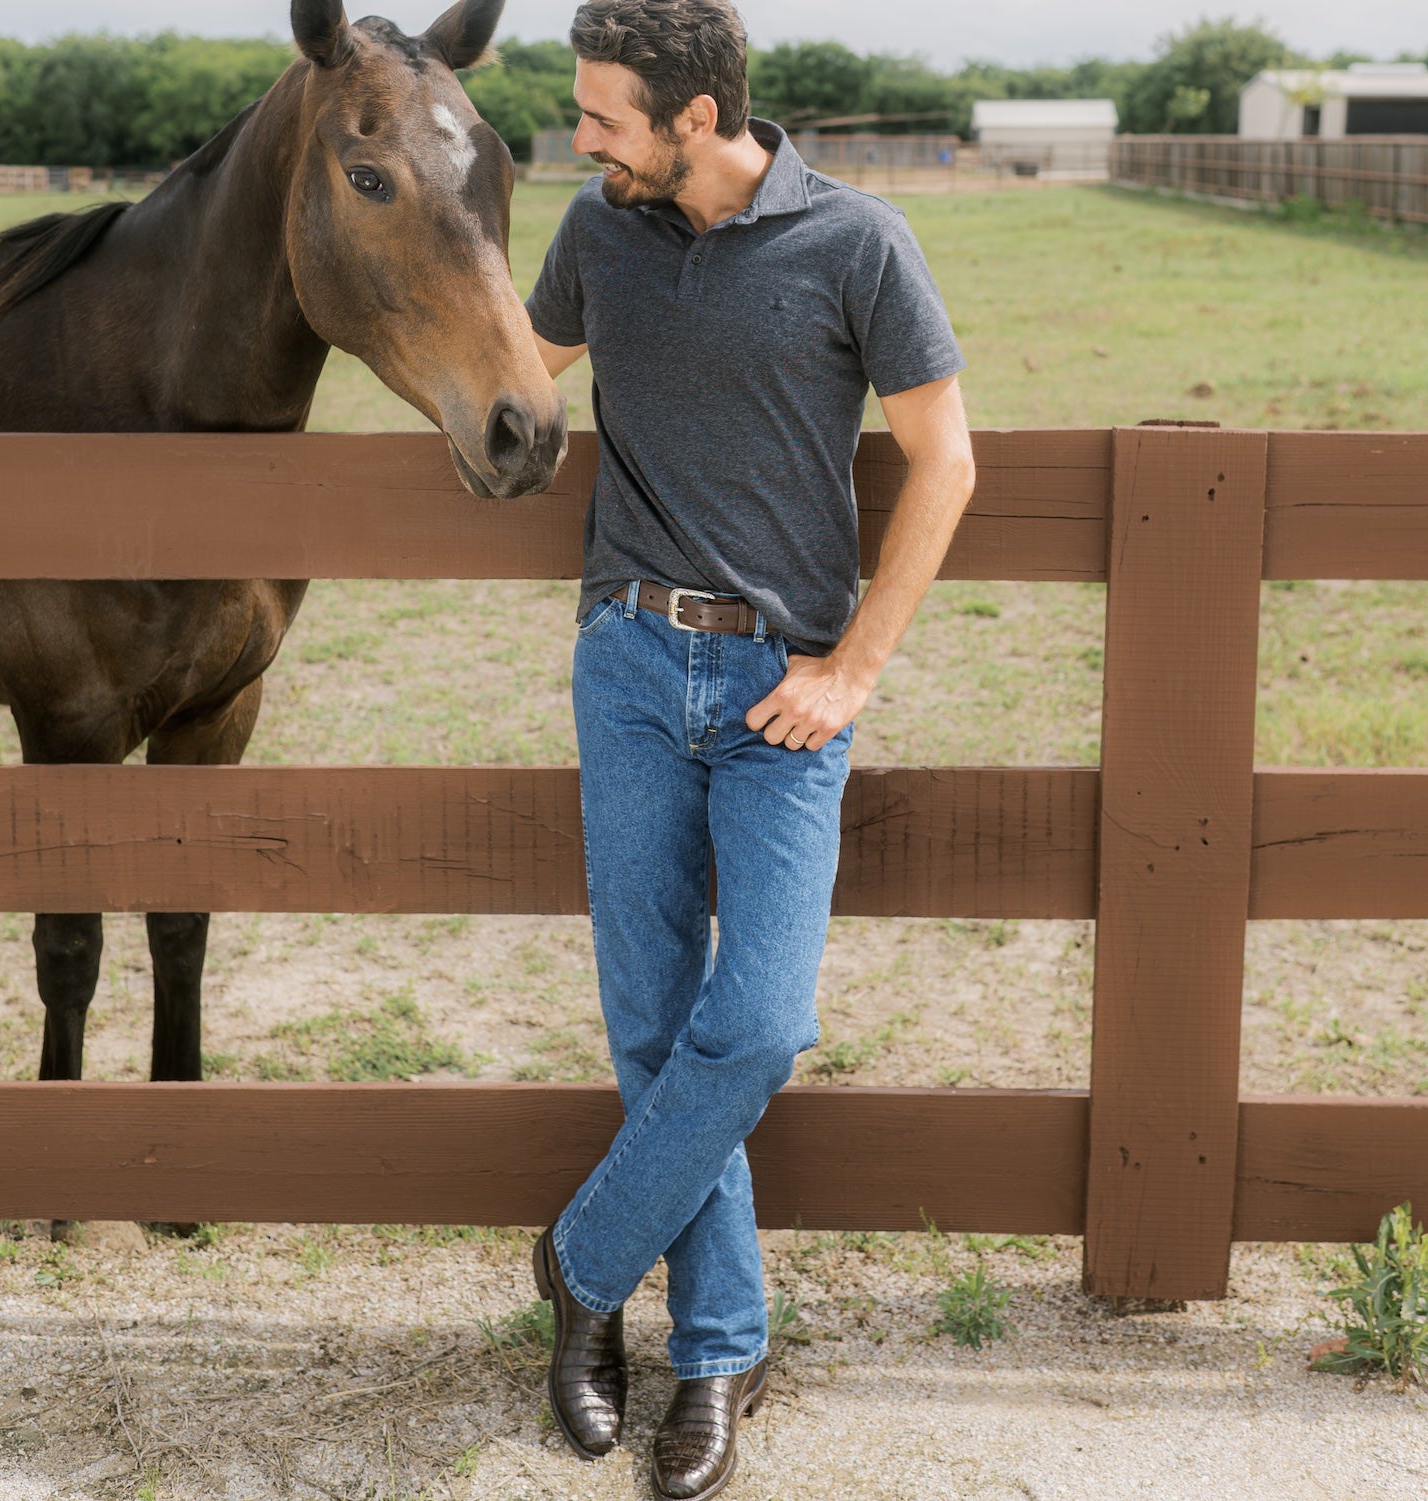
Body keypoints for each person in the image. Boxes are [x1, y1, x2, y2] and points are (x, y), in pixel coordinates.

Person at [524, 3, 973, 1496]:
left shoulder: (857, 243)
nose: (580, 142)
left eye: (604, 117)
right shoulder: (601, 232)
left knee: (761, 1021)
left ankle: (587, 1262)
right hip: (632, 665)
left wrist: (854, 667)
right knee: (654, 1022)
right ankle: (717, 1350)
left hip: (786, 690)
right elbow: (510, 374)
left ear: (699, 118)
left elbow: (946, 459)